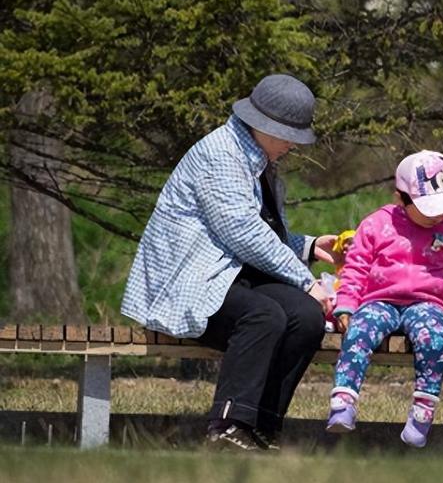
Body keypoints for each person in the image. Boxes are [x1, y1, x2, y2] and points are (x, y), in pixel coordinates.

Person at [121, 74, 341, 451]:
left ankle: (261, 429)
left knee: (306, 318)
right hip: (193, 279)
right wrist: (306, 281)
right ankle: (227, 427)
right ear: (263, 126)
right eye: (288, 134)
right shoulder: (220, 155)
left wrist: (307, 246)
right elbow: (242, 233)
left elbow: (256, 230)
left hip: (232, 273)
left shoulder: (256, 159)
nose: (292, 144)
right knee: (264, 316)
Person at [325, 150, 443, 448]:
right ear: (401, 198)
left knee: (433, 339)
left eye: (442, 206)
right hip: (379, 300)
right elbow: (356, 267)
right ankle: (343, 401)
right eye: (428, 207)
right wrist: (347, 303)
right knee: (359, 332)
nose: (437, 214)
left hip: (427, 303)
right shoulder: (376, 225)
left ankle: (422, 413)